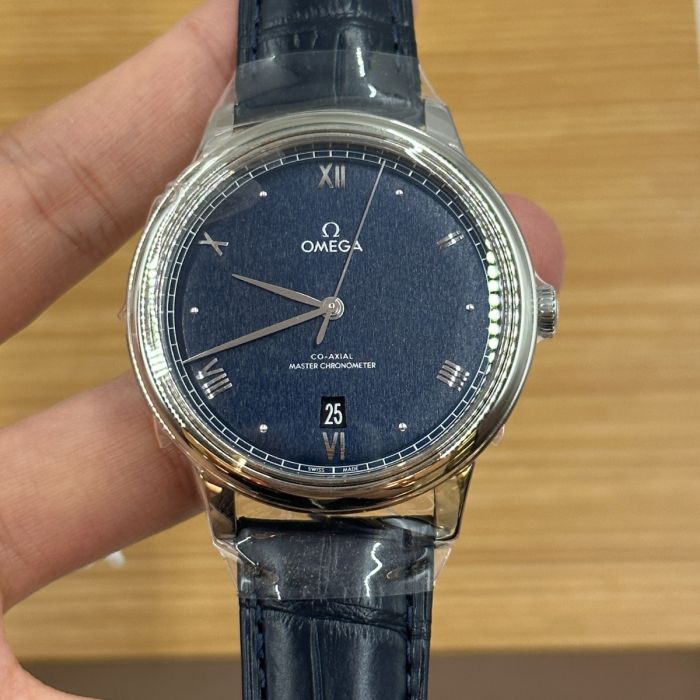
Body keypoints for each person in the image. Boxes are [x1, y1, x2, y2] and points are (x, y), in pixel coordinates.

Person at [0, 1, 565, 697]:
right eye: (324, 308)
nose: (332, 307)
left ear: (532, 312)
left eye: (329, 306)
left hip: (371, 473)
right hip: (270, 476)